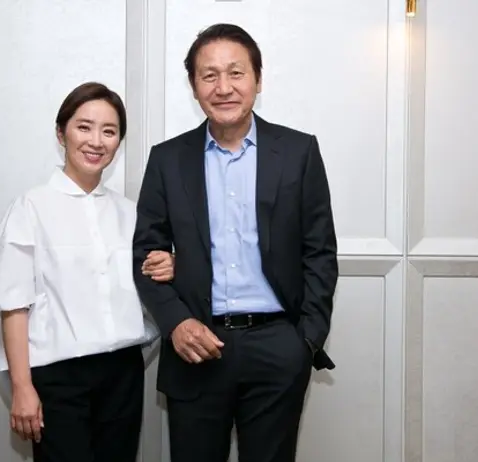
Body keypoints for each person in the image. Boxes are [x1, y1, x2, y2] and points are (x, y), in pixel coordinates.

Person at [133, 24, 339, 462]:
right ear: (194, 86)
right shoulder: (167, 159)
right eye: (209, 75)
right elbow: (145, 256)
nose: (223, 87)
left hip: (277, 347)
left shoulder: (299, 152)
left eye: (236, 73)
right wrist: (176, 324)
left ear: (258, 80)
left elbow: (320, 252)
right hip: (195, 345)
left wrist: (305, 341)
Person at [0, 81, 175, 462]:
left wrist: (169, 264)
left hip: (123, 373)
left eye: (109, 131)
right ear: (60, 132)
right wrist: (22, 387)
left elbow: (150, 284)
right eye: (84, 127)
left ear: (118, 142)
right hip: (57, 377)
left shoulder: (130, 213)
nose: (96, 141)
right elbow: (13, 305)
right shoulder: (31, 207)